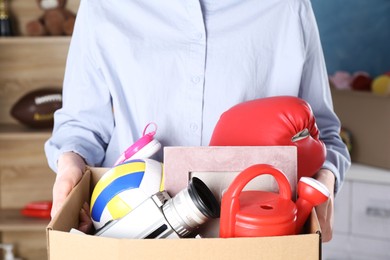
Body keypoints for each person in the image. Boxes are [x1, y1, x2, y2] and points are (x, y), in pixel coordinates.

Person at [45, 0, 351, 242]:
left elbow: (325, 135)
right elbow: (81, 126)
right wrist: (71, 163)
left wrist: (326, 177)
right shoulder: (103, 5)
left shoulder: (288, 6)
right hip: (127, 225)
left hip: (257, 234)